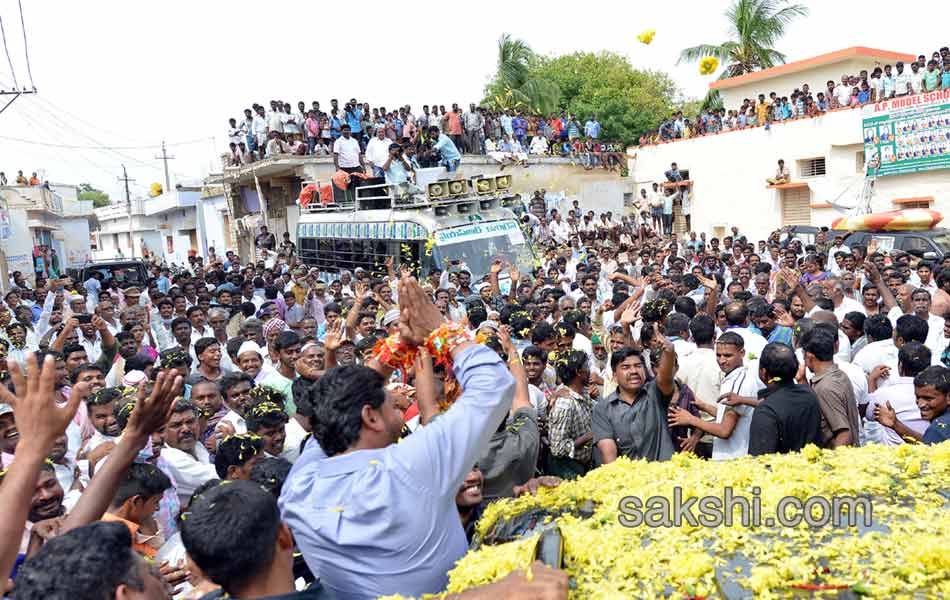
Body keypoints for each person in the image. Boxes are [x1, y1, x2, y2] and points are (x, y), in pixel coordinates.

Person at [279, 276, 515, 599]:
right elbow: (494, 384)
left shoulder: (298, 488)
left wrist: (396, 350)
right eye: (391, 401)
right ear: (370, 416)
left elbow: (329, 416)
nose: (400, 402)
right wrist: (441, 328)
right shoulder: (411, 467)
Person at [747, 343, 823, 455]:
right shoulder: (809, 394)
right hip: (812, 469)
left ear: (763, 373)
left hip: (783, 471)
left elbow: (760, 460)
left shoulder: (766, 411)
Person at [801, 325, 861, 448]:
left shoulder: (825, 387)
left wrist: (831, 464)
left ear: (809, 356)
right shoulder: (838, 376)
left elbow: (845, 434)